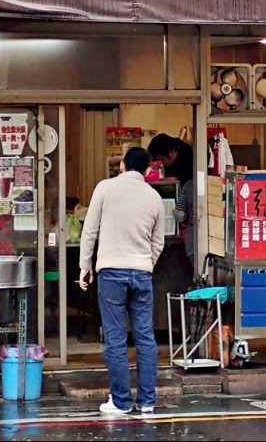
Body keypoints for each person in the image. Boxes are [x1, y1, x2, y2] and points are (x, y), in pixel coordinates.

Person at [79, 146, 165, 415]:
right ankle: (148, 402)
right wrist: (146, 264)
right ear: (148, 170)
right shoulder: (154, 197)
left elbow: (89, 231)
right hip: (142, 273)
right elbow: (158, 242)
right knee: (145, 338)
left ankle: (121, 402)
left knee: (116, 339)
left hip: (111, 273)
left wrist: (85, 266)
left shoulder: (105, 188)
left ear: (122, 166)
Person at [147, 133, 196, 271]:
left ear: (171, 152)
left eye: (160, 159)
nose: (160, 164)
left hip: (190, 228)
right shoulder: (174, 160)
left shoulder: (191, 160)